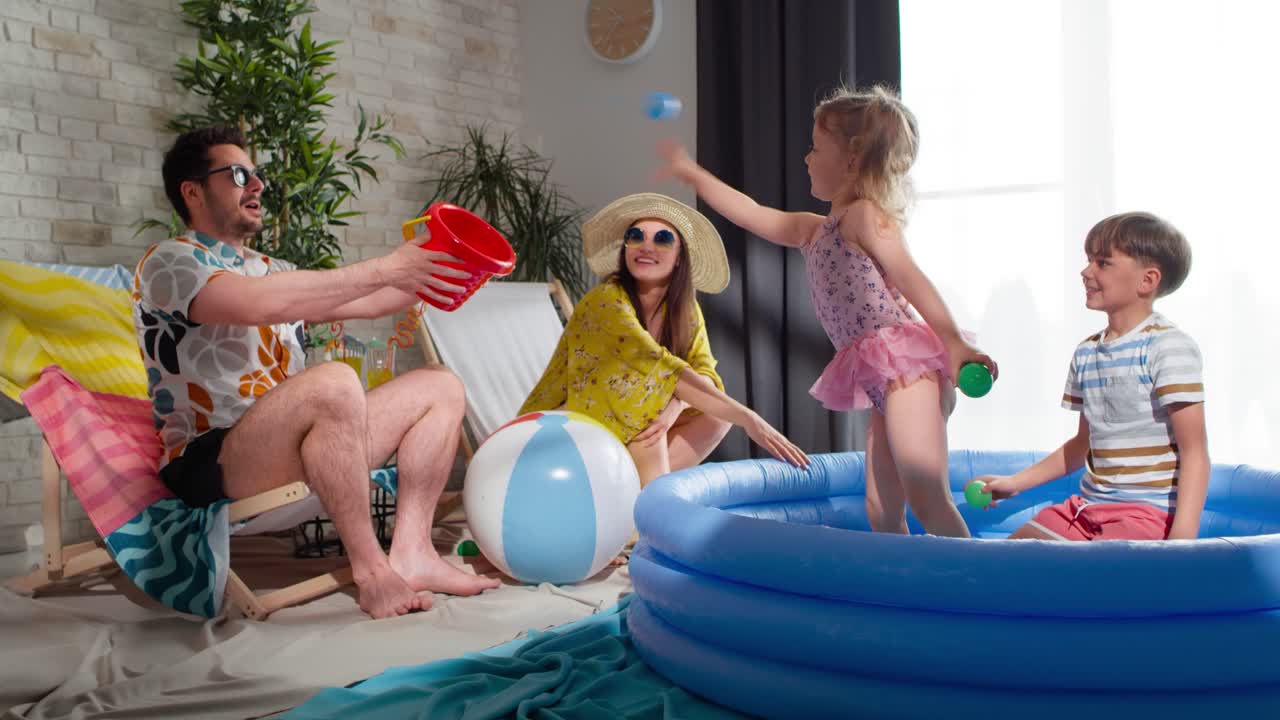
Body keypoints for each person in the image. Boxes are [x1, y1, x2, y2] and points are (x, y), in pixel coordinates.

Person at [132, 126, 499, 619]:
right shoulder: (169, 262)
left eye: (257, 175)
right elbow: (255, 304)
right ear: (192, 191)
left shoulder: (272, 267)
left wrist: (446, 269)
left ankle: (414, 553)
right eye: (240, 174)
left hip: (301, 447)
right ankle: (372, 571)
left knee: (441, 385)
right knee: (334, 381)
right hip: (213, 461)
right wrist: (388, 267)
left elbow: (371, 300)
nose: (258, 185)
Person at [656, 85, 995, 538]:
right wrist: (694, 175)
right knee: (880, 507)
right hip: (883, 377)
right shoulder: (814, 230)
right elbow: (751, 212)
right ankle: (901, 591)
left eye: (816, 148)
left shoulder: (864, 216)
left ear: (852, 161)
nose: (806, 158)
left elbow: (911, 277)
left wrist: (954, 342)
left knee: (925, 493)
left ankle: (972, 589)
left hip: (911, 370)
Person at [519, 192, 809, 486]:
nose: (646, 246)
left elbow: (705, 372)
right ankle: (648, 507)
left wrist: (673, 410)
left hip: (631, 422)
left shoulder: (685, 309)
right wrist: (750, 419)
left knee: (715, 417)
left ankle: (638, 498)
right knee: (652, 402)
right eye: (635, 236)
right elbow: (657, 368)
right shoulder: (606, 300)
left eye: (663, 239)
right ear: (625, 248)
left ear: (680, 254)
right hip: (573, 422)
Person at [968, 212, 1208, 540]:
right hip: (1085, 509)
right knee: (1007, 563)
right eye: (1089, 260)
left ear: (1147, 281)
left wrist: (1183, 539)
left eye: (1103, 263)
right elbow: (1082, 444)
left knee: (1081, 582)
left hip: (1145, 513)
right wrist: (1015, 483)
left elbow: (1195, 451)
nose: (1086, 271)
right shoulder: (1086, 353)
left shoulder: (1168, 347)